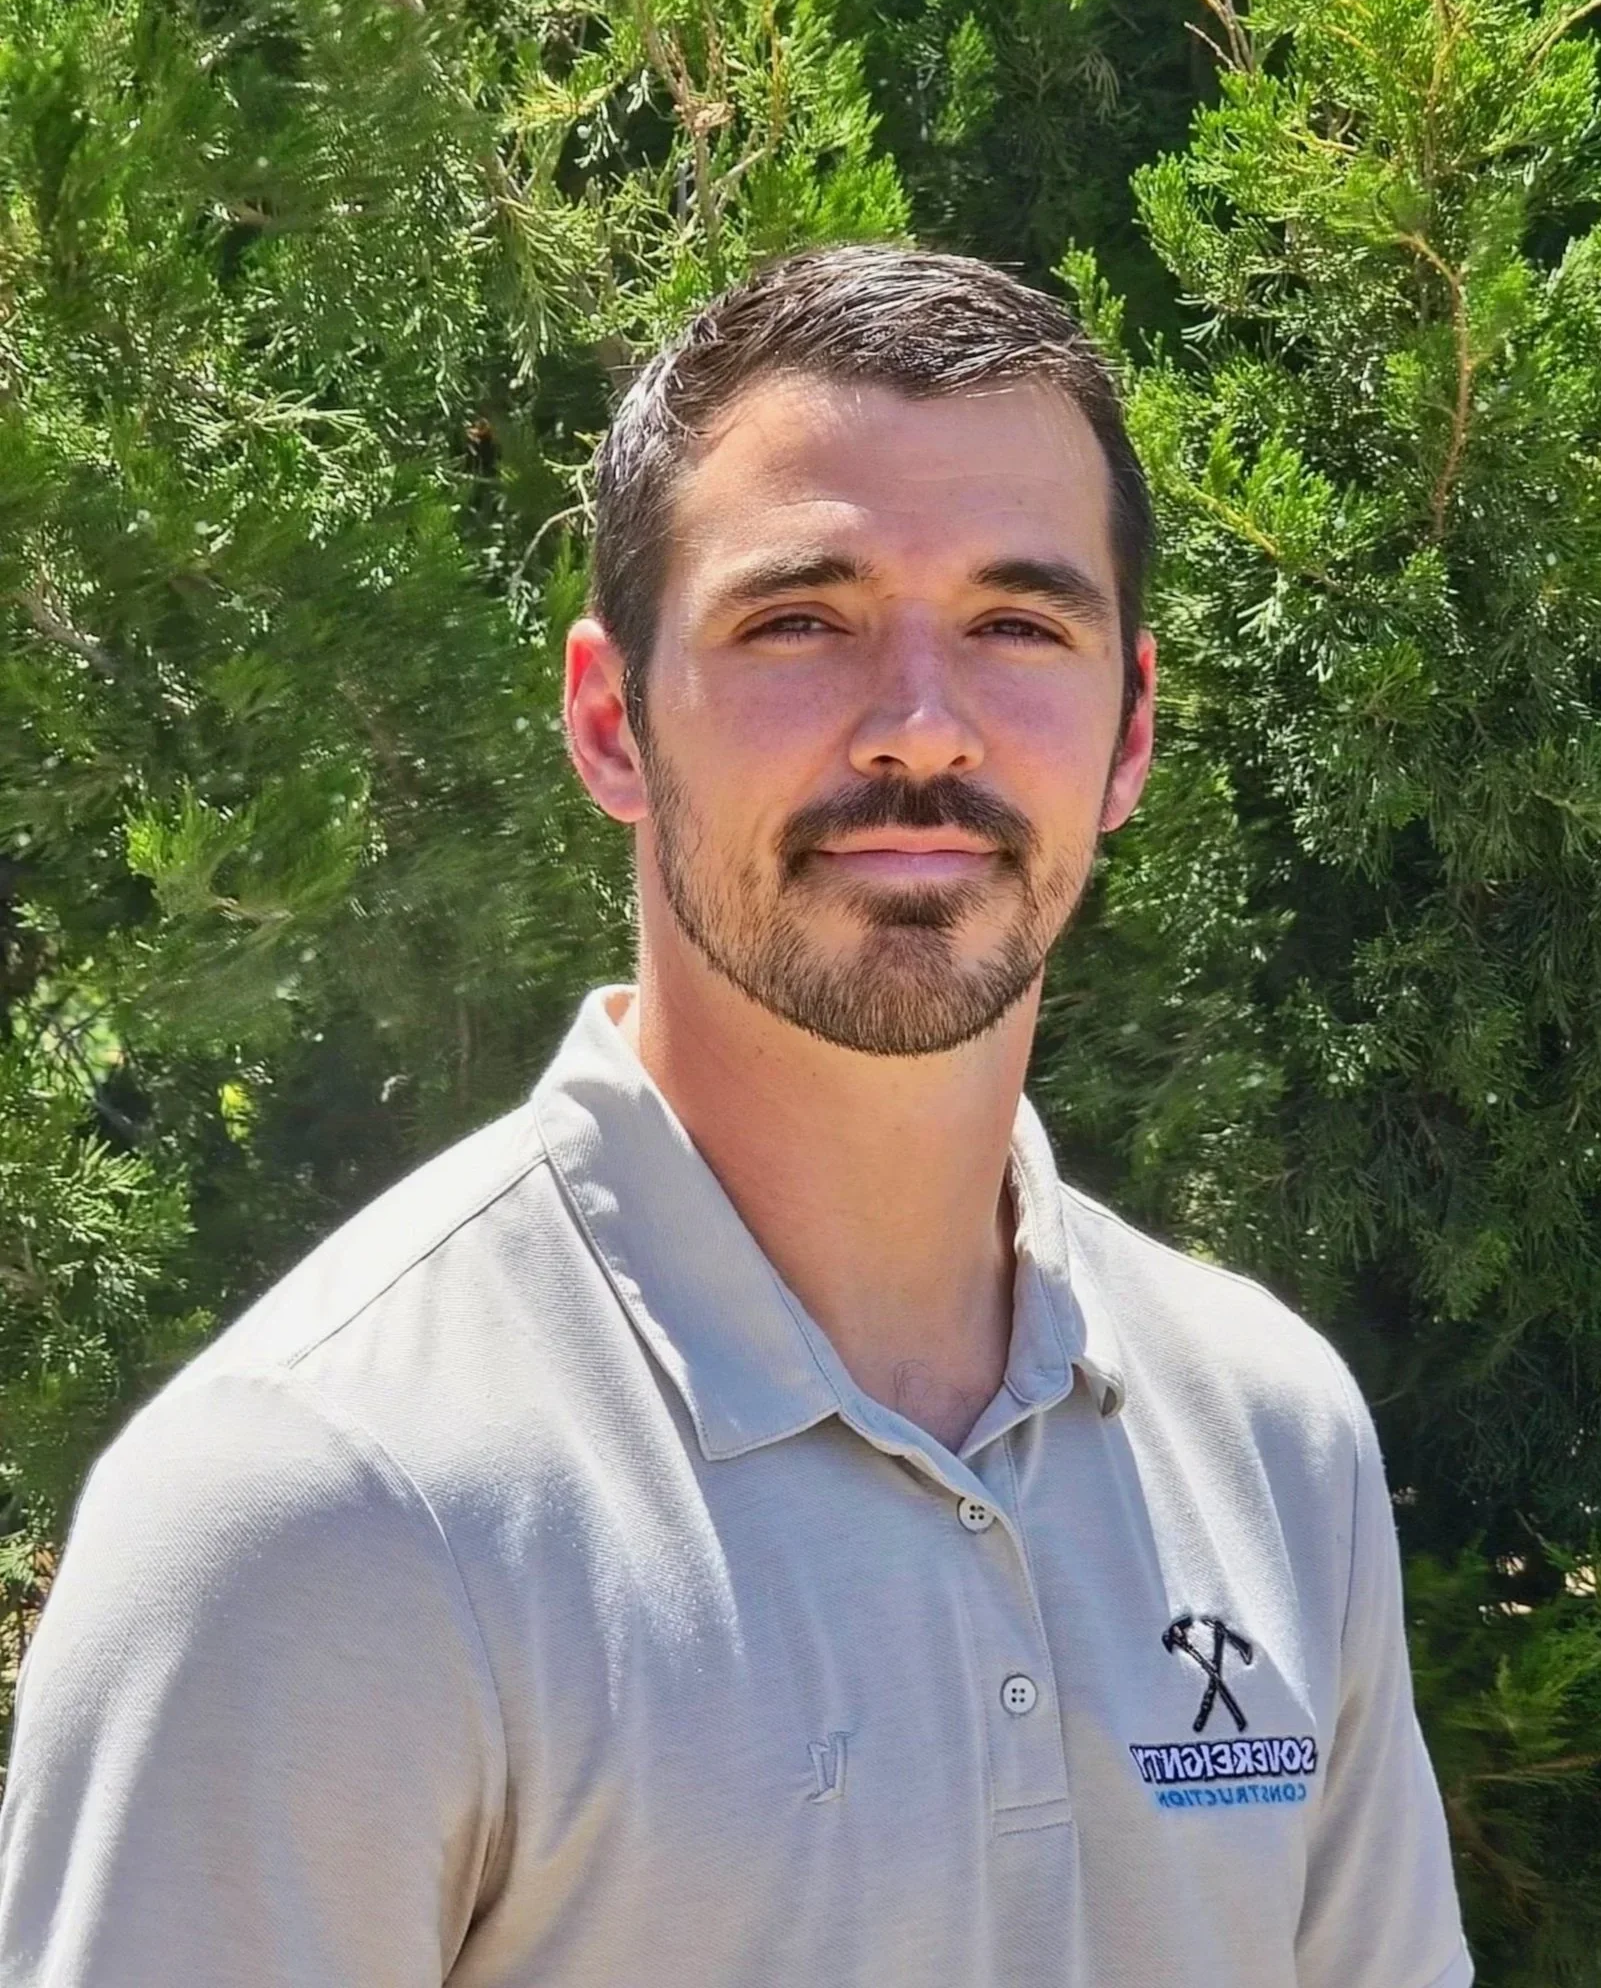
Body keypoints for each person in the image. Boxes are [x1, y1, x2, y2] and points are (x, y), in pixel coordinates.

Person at [0, 245, 1471, 1988]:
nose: (922, 729)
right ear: (612, 722)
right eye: (800, 620)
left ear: (1131, 729)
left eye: (1018, 624)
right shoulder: (320, 1507)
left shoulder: (1275, 1437)